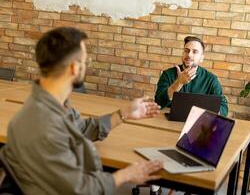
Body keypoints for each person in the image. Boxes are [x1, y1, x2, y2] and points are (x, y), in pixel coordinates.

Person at [2, 27, 163, 195]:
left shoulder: (51, 103)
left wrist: (124, 114)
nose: (86, 66)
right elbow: (81, 190)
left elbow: (79, 128)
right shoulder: (45, 125)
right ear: (74, 67)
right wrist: (125, 175)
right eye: (86, 61)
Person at [155, 36, 228, 116]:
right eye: (186, 51)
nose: (189, 54)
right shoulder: (167, 75)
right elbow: (158, 104)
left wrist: (207, 114)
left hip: (198, 123)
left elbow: (223, 107)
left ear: (201, 58)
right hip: (168, 122)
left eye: (195, 52)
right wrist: (178, 82)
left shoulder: (211, 80)